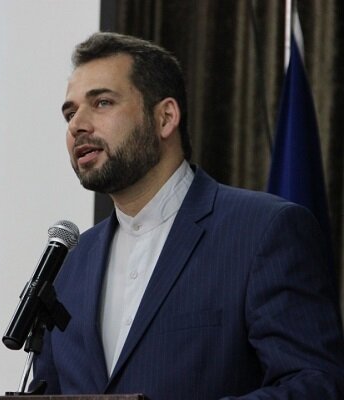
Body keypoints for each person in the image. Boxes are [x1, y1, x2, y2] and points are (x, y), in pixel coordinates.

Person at [30, 32, 344, 399]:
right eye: (70, 113)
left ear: (165, 118)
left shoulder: (264, 232)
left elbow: (316, 384)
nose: (76, 125)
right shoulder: (68, 264)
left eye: (102, 102)